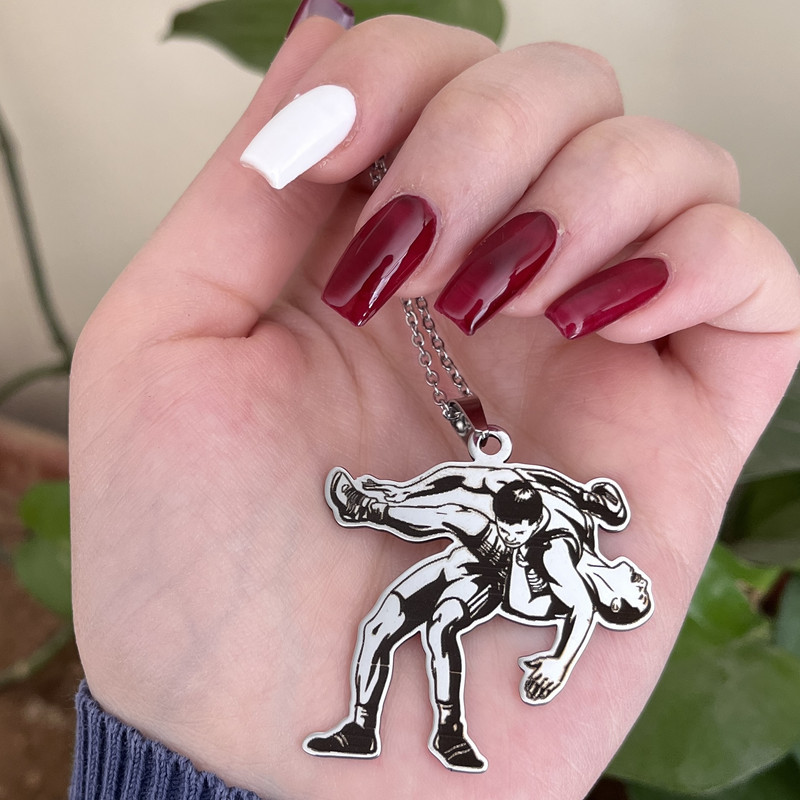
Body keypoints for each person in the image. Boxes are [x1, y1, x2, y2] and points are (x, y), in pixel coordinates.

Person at [67, 4, 800, 800]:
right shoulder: (587, 528)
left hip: (485, 557)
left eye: (623, 602)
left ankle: (431, 688)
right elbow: (554, 528)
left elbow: (569, 629)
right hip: (490, 527)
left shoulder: (575, 589)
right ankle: (376, 689)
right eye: (630, 593)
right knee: (406, 595)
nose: (625, 592)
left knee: (443, 579)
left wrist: (553, 660)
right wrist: (576, 510)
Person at [303, 463, 650, 772]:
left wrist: (560, 663)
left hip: (494, 573)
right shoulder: (585, 526)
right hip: (476, 550)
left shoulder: (555, 554)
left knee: (442, 617)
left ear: (615, 603)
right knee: (377, 626)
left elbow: (579, 608)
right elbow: (500, 477)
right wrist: (405, 491)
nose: (644, 582)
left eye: (640, 595)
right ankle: (361, 729)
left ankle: (450, 734)